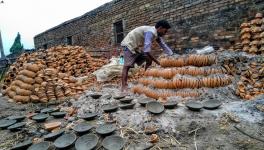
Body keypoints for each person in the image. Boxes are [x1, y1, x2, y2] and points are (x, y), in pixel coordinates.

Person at [121, 20, 174, 92]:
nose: (165, 33)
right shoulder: (150, 32)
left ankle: (146, 79)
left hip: (136, 46)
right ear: (160, 28)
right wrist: (158, 62)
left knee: (149, 60)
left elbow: (163, 45)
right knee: (127, 66)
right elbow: (147, 51)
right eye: (165, 31)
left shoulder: (157, 34)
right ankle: (124, 86)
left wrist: (172, 55)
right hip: (128, 45)